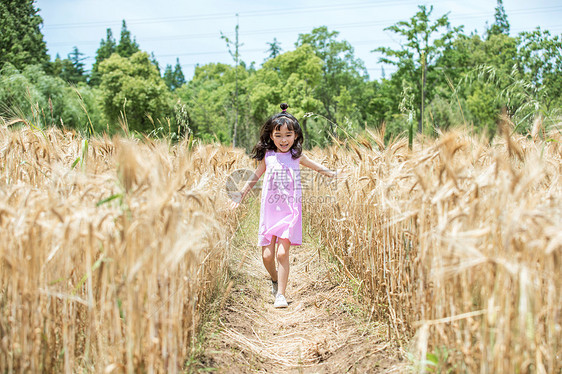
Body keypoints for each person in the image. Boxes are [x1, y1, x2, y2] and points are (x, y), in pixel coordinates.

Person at [230, 103, 345, 308]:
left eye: (288, 135)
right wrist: (240, 195)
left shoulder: (296, 156)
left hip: (289, 211)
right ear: (271, 136)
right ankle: (274, 279)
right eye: (279, 135)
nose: (284, 140)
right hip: (269, 211)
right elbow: (254, 178)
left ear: (296, 136)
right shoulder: (268, 156)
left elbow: (317, 168)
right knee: (267, 256)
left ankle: (281, 295)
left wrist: (334, 174)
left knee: (282, 253)